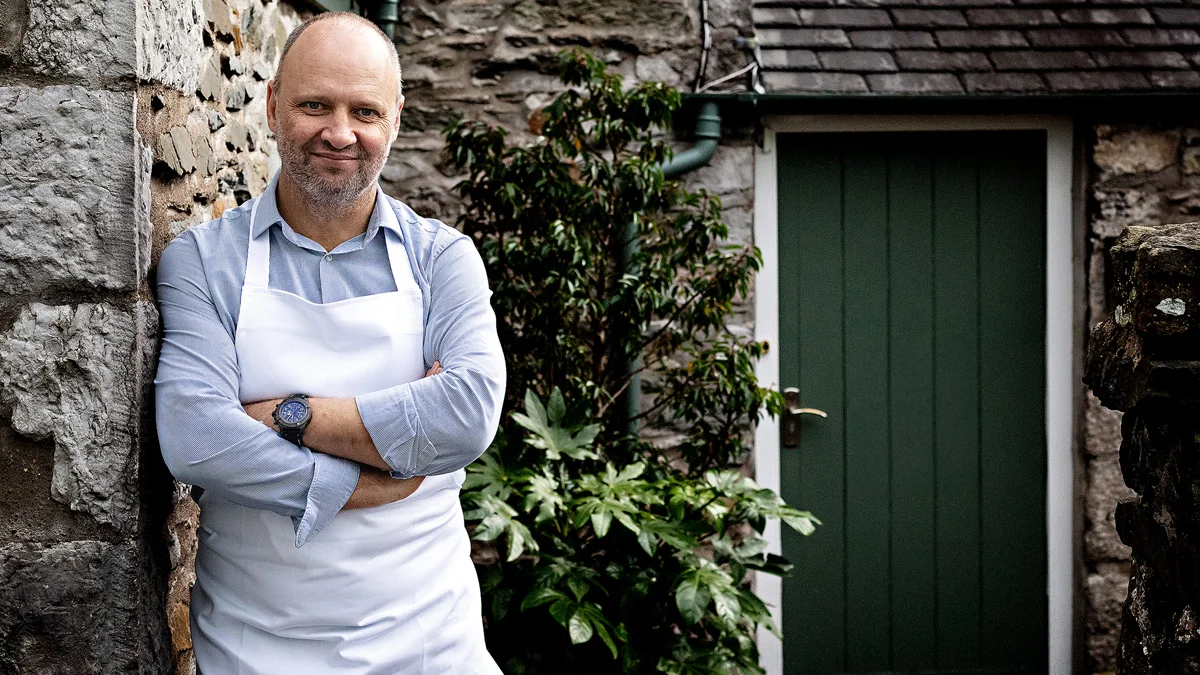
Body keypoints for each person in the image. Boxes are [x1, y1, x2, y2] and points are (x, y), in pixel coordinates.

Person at [154, 11, 505, 674]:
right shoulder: (203, 262)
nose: (339, 133)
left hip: (430, 645)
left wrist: (288, 412)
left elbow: (466, 413)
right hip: (257, 648)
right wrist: (360, 478)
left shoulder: (443, 261)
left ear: (395, 119)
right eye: (315, 104)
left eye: (364, 111)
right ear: (272, 104)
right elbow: (194, 436)